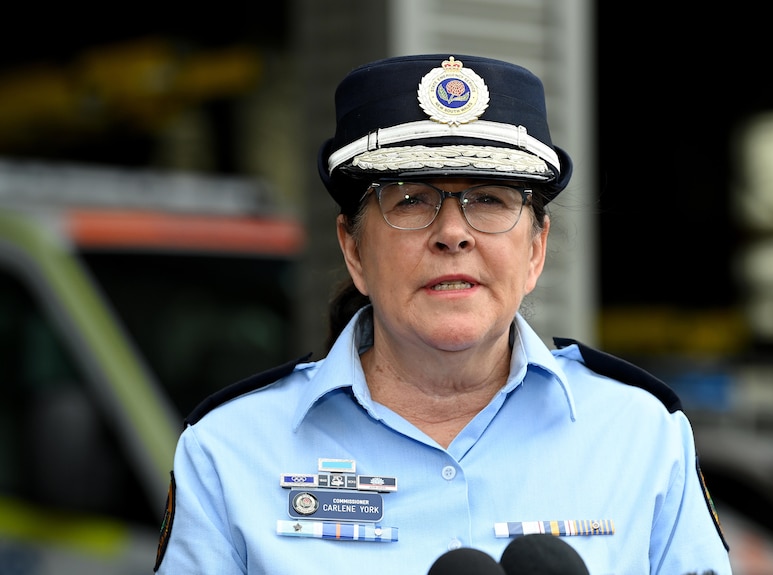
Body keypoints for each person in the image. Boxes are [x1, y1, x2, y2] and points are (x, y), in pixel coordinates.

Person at [153, 54, 732, 574]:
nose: (453, 233)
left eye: (488, 199)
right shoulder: (228, 450)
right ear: (353, 249)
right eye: (411, 200)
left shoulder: (642, 436)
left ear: (535, 250)